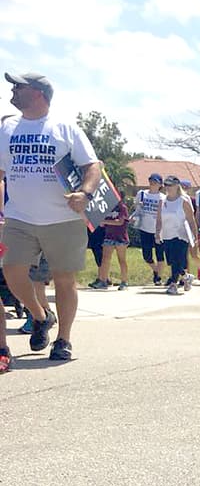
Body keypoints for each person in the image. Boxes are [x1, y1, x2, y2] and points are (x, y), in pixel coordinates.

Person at [0, 71, 99, 368]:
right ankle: (41, 316)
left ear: (39, 93)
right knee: (13, 273)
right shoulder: (6, 129)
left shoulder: (65, 128)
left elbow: (92, 165)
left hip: (63, 217)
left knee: (64, 280)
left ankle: (63, 340)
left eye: (19, 86)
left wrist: (85, 192)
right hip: (19, 216)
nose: (13, 90)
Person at [157, 175, 197, 296]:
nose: (168, 188)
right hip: (167, 234)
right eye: (166, 185)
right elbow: (159, 220)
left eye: (170, 185)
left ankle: (173, 284)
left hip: (181, 235)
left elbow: (191, 220)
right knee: (171, 261)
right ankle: (186, 276)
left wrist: (194, 237)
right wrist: (157, 232)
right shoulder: (162, 202)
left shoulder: (183, 201)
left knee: (176, 260)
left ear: (176, 186)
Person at [135, 172, 167, 285]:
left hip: (159, 230)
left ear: (160, 184)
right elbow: (137, 208)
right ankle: (156, 270)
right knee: (146, 255)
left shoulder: (163, 197)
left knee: (160, 255)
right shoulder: (142, 193)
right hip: (144, 228)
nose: (152, 183)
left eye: (155, 182)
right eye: (151, 181)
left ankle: (158, 277)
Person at [92, 197, 129, 290]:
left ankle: (124, 282)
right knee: (105, 259)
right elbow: (102, 222)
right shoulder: (107, 208)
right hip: (109, 236)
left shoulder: (122, 208)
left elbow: (120, 222)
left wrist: (104, 221)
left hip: (120, 237)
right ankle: (103, 281)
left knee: (121, 260)